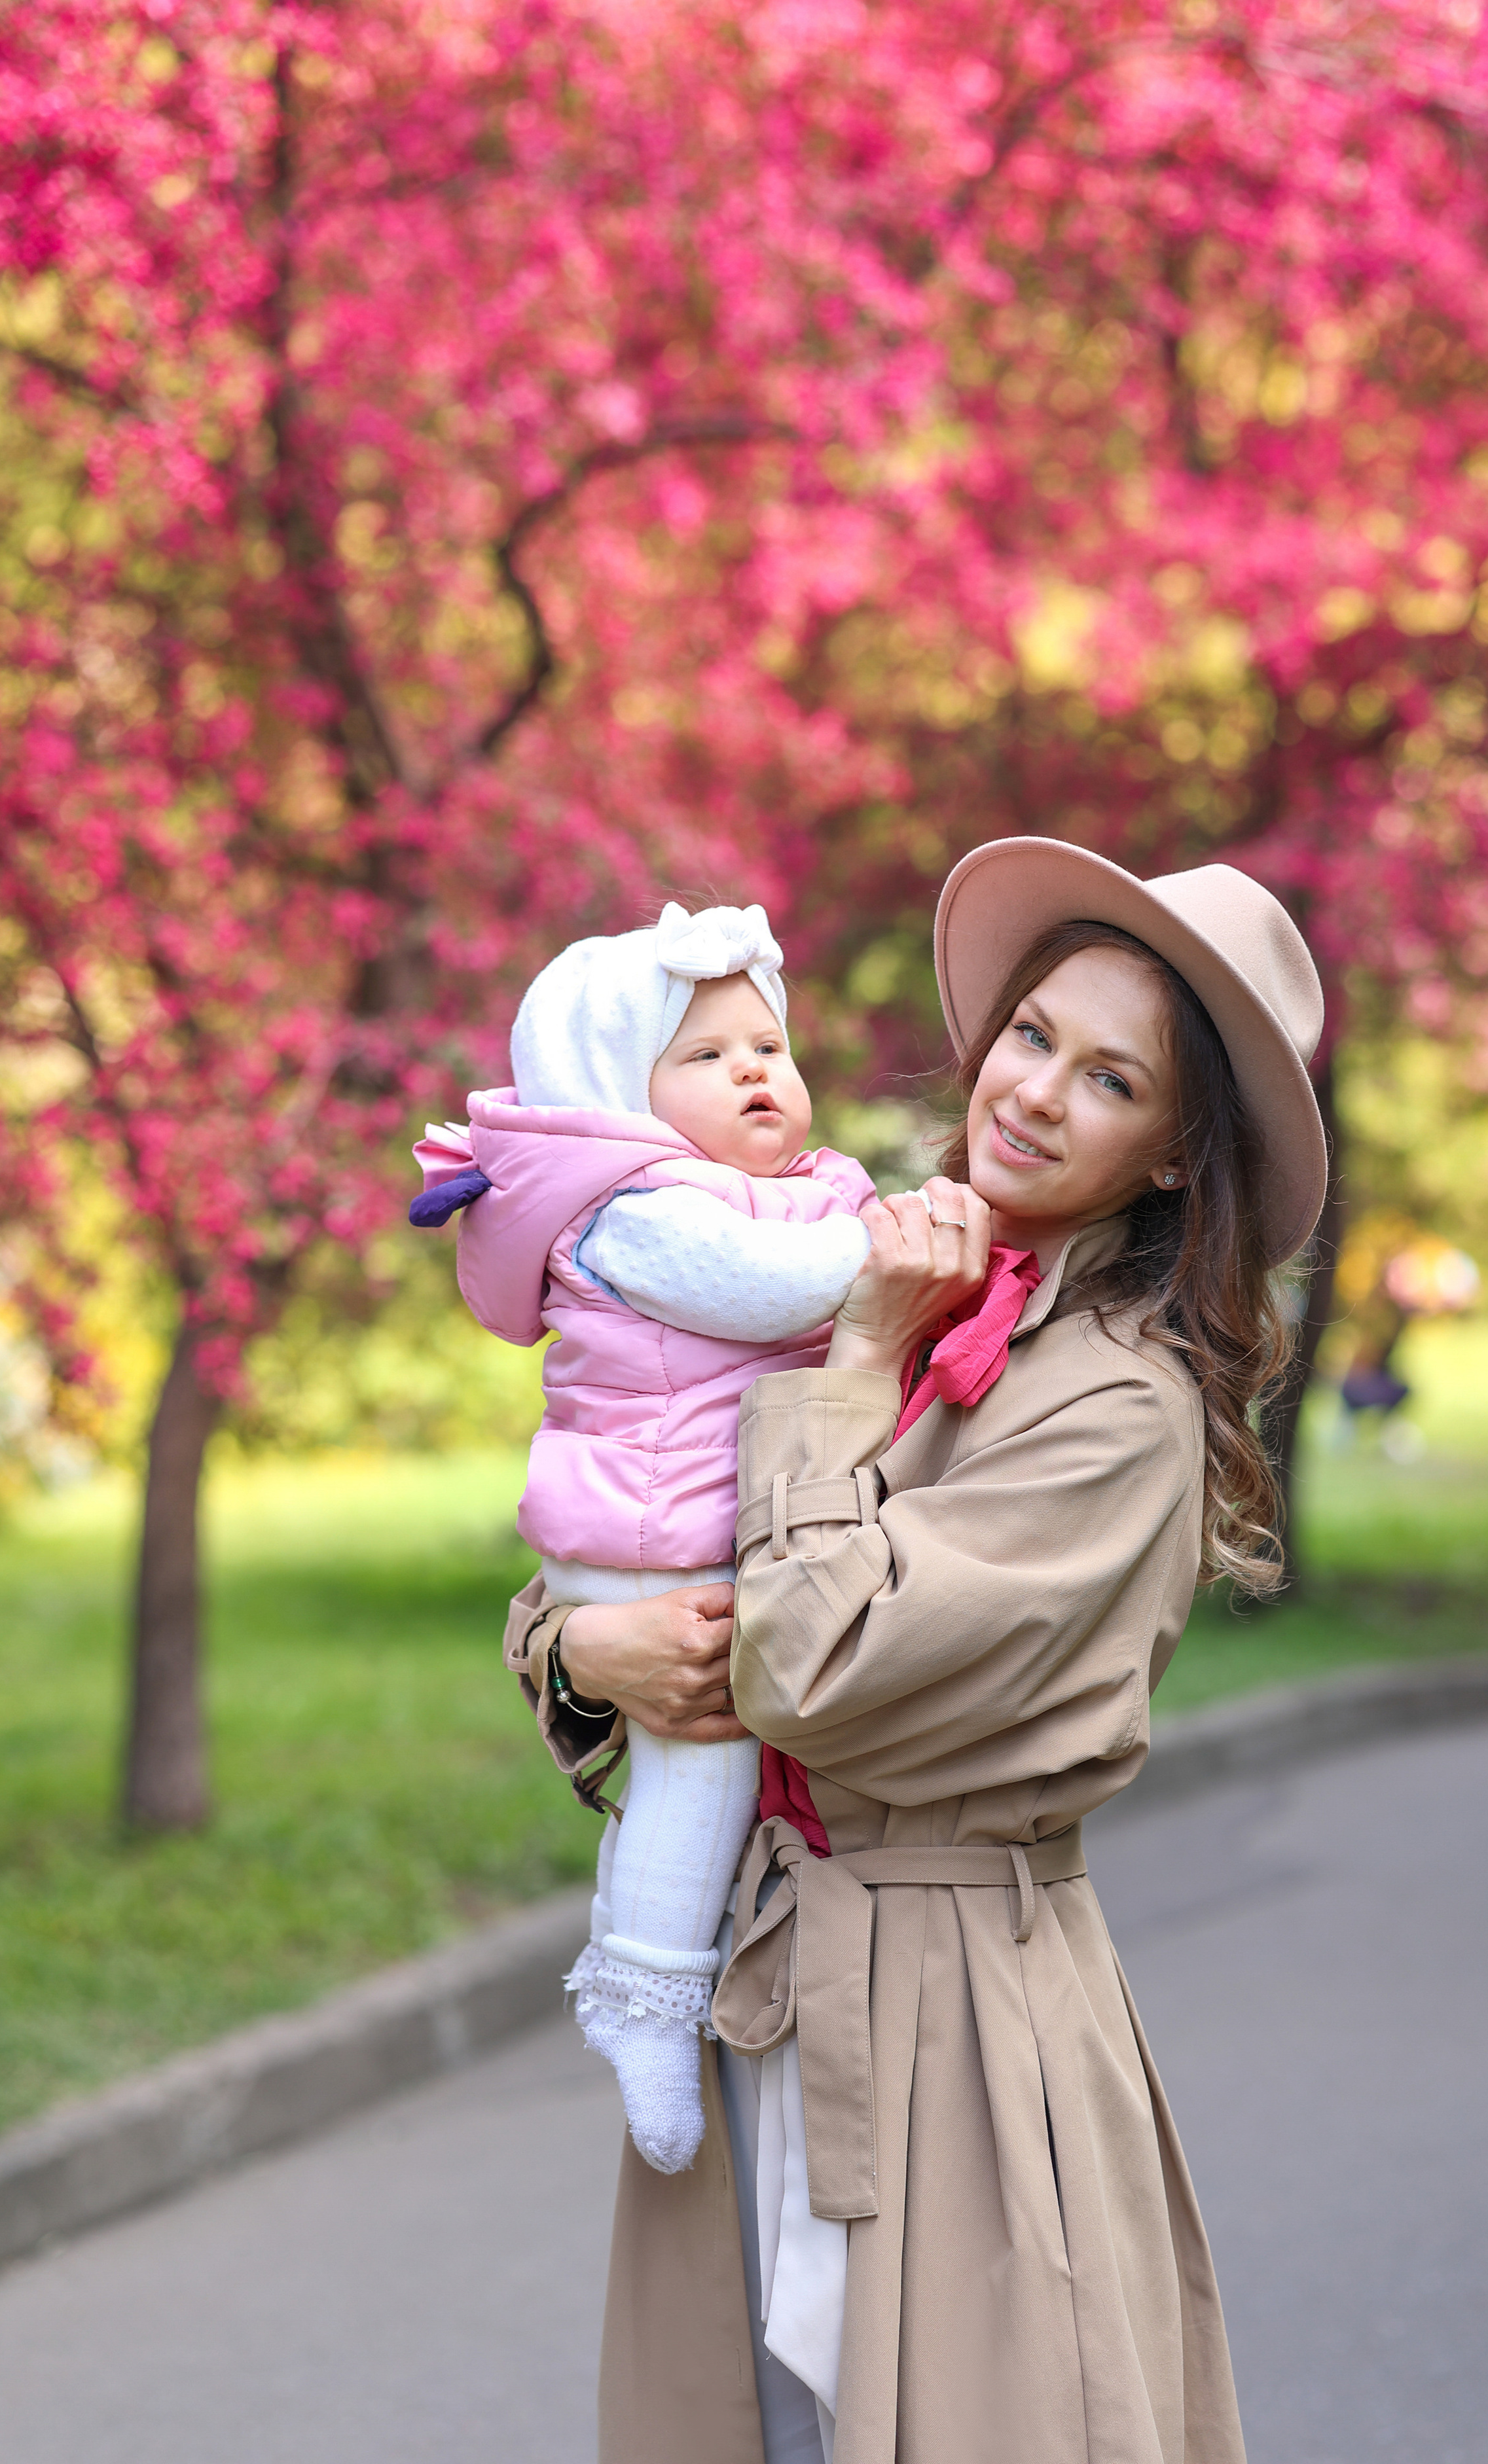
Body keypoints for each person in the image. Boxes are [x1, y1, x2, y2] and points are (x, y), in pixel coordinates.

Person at [514, 838, 1328, 2464]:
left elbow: (808, 1665)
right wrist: (579, 1653)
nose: (1030, 1095)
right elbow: (651, 1528)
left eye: (1107, 1081)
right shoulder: (868, 1268)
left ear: (1172, 1159)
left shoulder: (1112, 1409)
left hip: (957, 2024)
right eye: (1031, 1036)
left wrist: (851, 1367)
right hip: (753, 1976)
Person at [410, 901, 875, 2175]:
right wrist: (887, 1253)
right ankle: (642, 1991)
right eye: (706, 1056)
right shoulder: (638, 1208)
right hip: (647, 1535)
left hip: (682, 1519)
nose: (754, 1072)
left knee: (702, 1756)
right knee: (699, 1761)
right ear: (620, 1095)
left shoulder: (775, 1194)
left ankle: (652, 1967)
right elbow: (773, 1289)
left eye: (767, 1047)